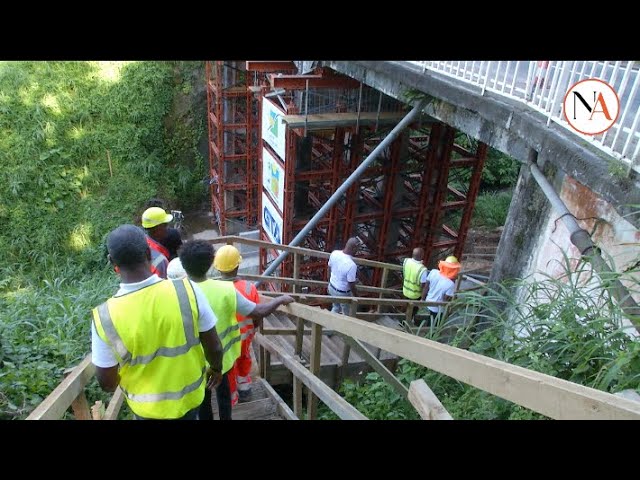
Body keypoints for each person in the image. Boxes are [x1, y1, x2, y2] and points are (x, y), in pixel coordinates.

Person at [90, 225, 224, 420]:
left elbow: (107, 383)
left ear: (112, 263)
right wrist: (217, 369)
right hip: (189, 402)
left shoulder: (104, 317)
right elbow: (214, 347)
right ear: (148, 253)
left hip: (146, 411)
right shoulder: (187, 290)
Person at [174, 241, 295, 420]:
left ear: (183, 265)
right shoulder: (226, 289)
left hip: (194, 361)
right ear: (209, 263)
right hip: (223, 358)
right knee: (223, 396)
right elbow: (258, 311)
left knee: (203, 400)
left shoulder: (175, 292)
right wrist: (279, 300)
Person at [213, 245, 260, 403]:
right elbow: (257, 313)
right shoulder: (249, 287)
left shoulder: (216, 289)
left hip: (225, 338)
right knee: (244, 360)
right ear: (238, 265)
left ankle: (232, 397)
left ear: (218, 269)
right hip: (245, 337)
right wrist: (254, 330)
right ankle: (245, 391)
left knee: (229, 365)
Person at [422, 255, 461, 326]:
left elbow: (426, 287)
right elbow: (445, 299)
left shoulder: (433, 272)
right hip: (437, 308)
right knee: (435, 324)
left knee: (430, 318)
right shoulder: (450, 284)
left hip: (428, 302)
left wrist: (422, 299)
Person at [327, 237, 359, 315]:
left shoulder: (334, 253)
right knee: (346, 313)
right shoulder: (352, 265)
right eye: (358, 248)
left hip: (331, 287)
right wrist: (356, 296)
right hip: (342, 293)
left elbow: (329, 269)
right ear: (354, 248)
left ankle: (329, 324)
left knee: (335, 307)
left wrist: (329, 283)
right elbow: (351, 284)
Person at [141, 207, 172, 278]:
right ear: (157, 229)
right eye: (165, 225)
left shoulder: (144, 241)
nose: (168, 228)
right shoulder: (158, 258)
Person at [402, 247, 428, 322]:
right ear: (421, 256)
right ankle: (407, 324)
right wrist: (423, 299)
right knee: (412, 311)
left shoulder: (406, 261)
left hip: (405, 290)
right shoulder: (422, 269)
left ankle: (403, 321)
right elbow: (423, 286)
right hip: (415, 295)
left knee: (406, 308)